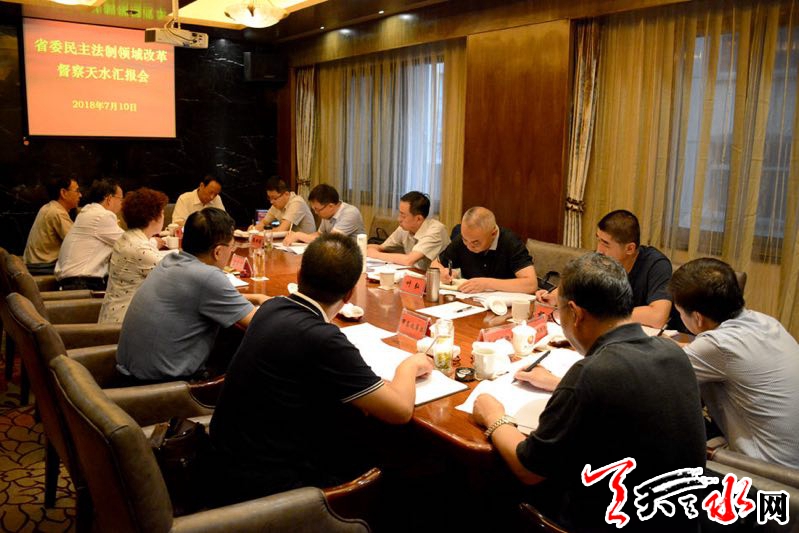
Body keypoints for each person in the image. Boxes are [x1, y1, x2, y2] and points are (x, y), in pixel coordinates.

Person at [473, 253, 705, 532]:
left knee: (486, 493)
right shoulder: (673, 352)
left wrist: (494, 416)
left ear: (575, 313)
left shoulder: (591, 373)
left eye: (558, 313)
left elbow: (529, 469)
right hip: (683, 520)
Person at [210, 233, 433, 503]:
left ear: (300, 274)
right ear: (350, 294)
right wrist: (409, 365)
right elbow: (399, 411)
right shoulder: (323, 339)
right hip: (269, 484)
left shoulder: (272, 307)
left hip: (225, 460)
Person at [670, 258, 799, 469]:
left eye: (681, 313)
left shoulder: (718, 345)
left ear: (698, 318)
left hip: (768, 472)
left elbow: (659, 376)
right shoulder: (766, 322)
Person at [116, 207, 267, 382]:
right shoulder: (207, 277)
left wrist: (256, 297)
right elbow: (259, 322)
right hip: (163, 386)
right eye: (231, 246)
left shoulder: (169, 261)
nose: (231, 251)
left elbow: (198, 296)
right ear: (218, 251)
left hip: (127, 374)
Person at [536, 209, 675, 328]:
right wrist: (555, 297)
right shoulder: (601, 259)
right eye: (598, 240)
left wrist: (605, 314)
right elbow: (574, 284)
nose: (599, 250)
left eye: (606, 244)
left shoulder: (656, 265)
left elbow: (657, 316)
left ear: (630, 249)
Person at [98, 188, 169, 324]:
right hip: (124, 325)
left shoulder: (127, 238)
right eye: (162, 212)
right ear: (153, 218)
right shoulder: (139, 249)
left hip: (115, 316)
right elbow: (176, 276)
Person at [430, 207, 537, 294]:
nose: (468, 246)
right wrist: (442, 273)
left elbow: (531, 284)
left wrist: (487, 284)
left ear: (493, 233)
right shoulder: (464, 239)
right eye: (465, 240)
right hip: (470, 301)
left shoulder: (510, 242)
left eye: (476, 242)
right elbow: (435, 264)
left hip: (503, 306)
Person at [54, 178, 124, 290]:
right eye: (120, 199)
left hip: (71, 281)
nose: (122, 203)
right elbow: (130, 244)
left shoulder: (88, 212)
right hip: (82, 284)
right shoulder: (101, 216)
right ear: (109, 199)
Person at [366, 191, 449, 270]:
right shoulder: (404, 228)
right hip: (415, 274)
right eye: (399, 213)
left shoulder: (435, 231)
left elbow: (408, 260)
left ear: (418, 219)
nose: (399, 219)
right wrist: (364, 249)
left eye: (403, 216)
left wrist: (376, 254)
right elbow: (381, 247)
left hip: (441, 277)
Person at [23, 176, 81, 275]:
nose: (80, 195)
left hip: (34, 264)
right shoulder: (57, 212)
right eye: (77, 191)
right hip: (43, 266)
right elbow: (76, 242)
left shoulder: (48, 207)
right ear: (63, 193)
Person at [282, 184, 364, 244]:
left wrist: (299, 235)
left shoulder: (350, 213)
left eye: (317, 209)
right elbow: (319, 234)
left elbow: (331, 240)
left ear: (331, 206)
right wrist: (298, 238)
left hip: (353, 256)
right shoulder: (327, 214)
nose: (316, 213)